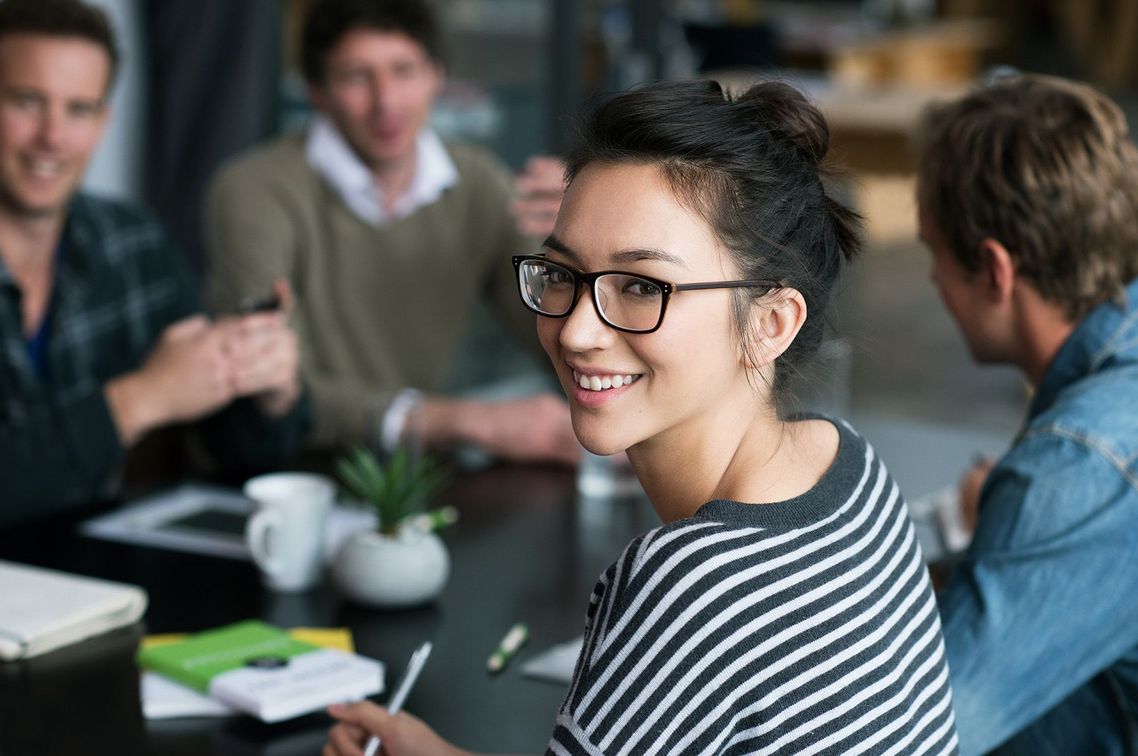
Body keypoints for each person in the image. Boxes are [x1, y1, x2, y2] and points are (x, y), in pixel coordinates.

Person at [323, 79, 959, 754]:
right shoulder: (848, 466)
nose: (575, 332)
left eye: (639, 287)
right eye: (562, 274)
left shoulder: (692, 584)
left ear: (771, 323)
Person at [205, 0, 577, 465]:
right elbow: (274, 387)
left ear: (436, 76)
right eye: (357, 77)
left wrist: (584, 247)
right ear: (317, 91)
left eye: (404, 70)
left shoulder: (477, 182)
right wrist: (466, 420)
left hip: (407, 476)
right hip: (283, 472)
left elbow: (554, 335)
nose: (387, 102)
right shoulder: (255, 189)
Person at [0, 0, 309, 526]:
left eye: (79, 110)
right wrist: (138, 400)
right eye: (28, 102)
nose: (52, 137)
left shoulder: (132, 240)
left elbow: (243, 453)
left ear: (103, 123)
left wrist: (270, 390)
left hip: (94, 581)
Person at [916, 73, 1138, 754]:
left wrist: (1031, 512)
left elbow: (926, 733)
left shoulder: (1075, 465)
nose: (931, 281)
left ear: (994, 270)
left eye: (936, 256)